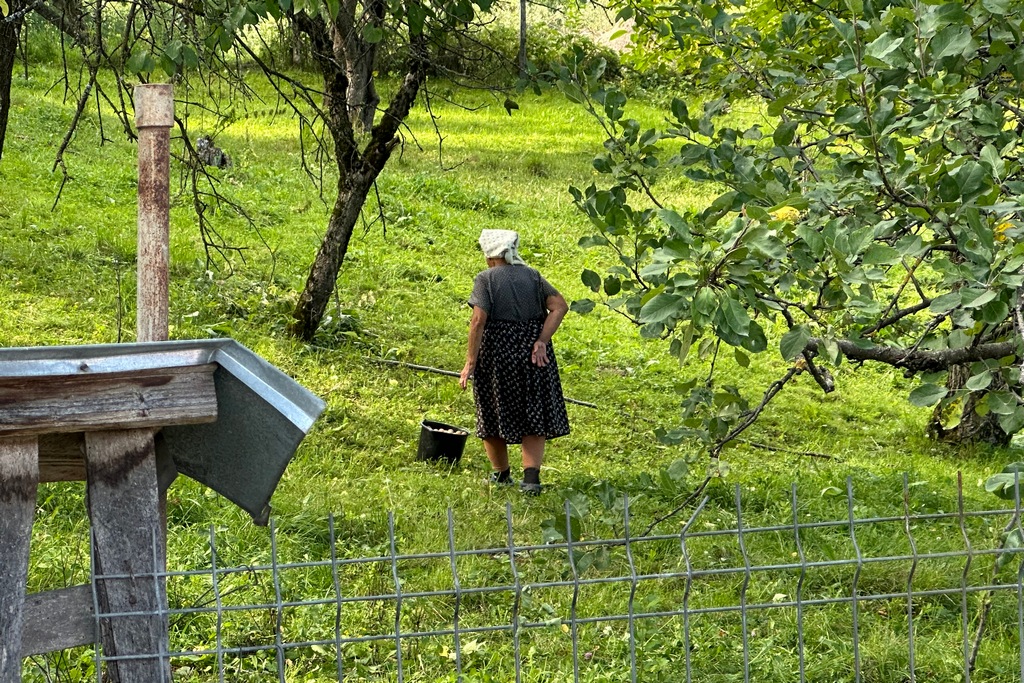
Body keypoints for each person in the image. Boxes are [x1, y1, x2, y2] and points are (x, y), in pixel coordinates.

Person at [459, 229, 570, 495]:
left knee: (492, 407)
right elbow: (559, 306)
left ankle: (501, 474)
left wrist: (470, 361)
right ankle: (531, 479)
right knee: (532, 410)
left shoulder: (485, 279)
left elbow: (478, 321)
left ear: (489, 256)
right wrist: (542, 340)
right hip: (533, 353)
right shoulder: (532, 275)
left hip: (497, 353)